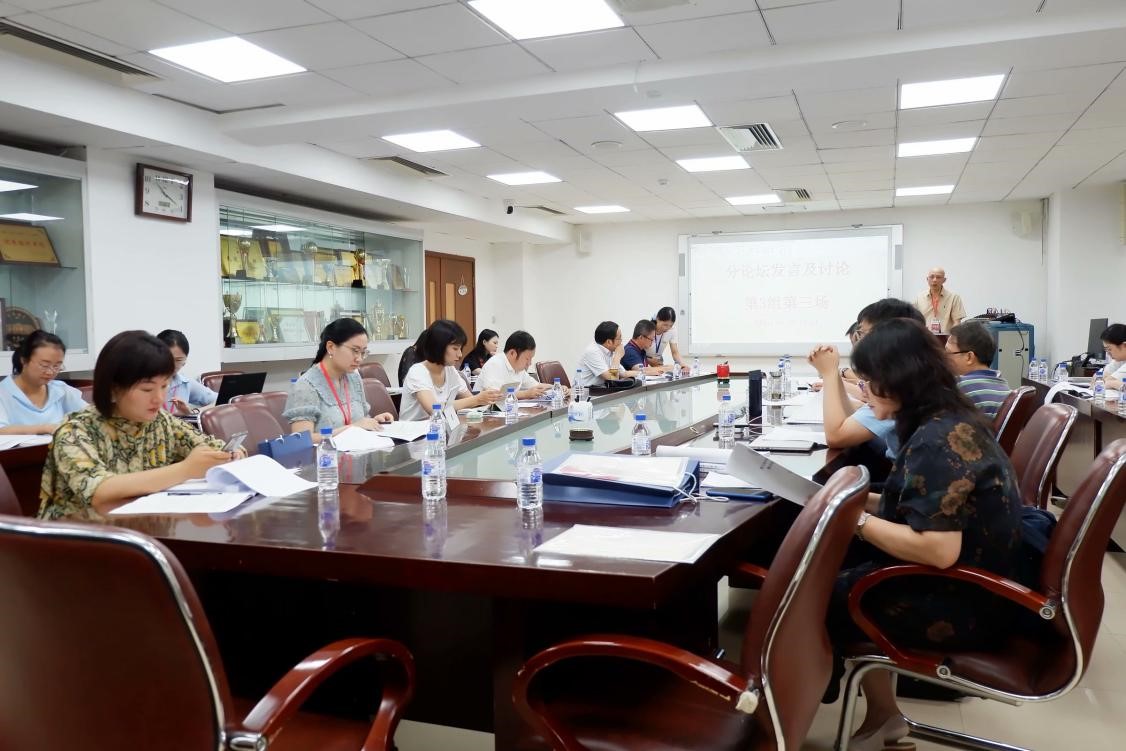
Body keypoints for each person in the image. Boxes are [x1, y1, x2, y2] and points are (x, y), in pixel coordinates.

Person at [824, 317, 1023, 750]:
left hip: (968, 601)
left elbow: (937, 549)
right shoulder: (944, 419)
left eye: (868, 382)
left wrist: (852, 518)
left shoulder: (938, 440)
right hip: (980, 580)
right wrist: (845, 499)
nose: (863, 391)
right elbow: (916, 502)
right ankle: (883, 715)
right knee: (838, 565)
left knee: (819, 592)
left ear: (896, 381)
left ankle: (781, 717)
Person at [37, 330, 237, 521]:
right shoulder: (75, 431)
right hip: (78, 535)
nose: (159, 398)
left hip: (143, 527)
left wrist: (231, 453)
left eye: (164, 386)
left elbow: (209, 447)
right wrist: (185, 469)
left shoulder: (161, 421)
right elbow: (98, 490)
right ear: (113, 387)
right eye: (147, 389)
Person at [809, 299, 926, 459]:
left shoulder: (899, 386)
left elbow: (836, 437)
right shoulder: (914, 373)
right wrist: (833, 373)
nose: (858, 341)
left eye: (862, 334)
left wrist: (829, 373)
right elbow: (851, 419)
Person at [284, 318, 394, 439]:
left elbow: (361, 421)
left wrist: (374, 422)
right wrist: (352, 428)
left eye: (363, 352)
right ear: (331, 347)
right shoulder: (305, 386)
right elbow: (302, 439)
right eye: (355, 351)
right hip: (326, 451)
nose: (359, 358)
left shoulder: (354, 379)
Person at [400, 319, 501, 421]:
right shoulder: (417, 372)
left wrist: (486, 398)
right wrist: (477, 399)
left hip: (441, 427)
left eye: (460, 349)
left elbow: (469, 398)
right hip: (415, 430)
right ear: (439, 347)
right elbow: (434, 409)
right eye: (455, 349)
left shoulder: (450, 370)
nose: (460, 355)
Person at [0, 329, 86, 435]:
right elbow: (1, 430)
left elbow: (90, 417)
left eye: (57, 366)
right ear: (24, 360)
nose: (50, 372)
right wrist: (45, 428)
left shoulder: (61, 391)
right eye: (44, 365)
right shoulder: (3, 393)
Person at [946, 321, 1010, 418]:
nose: (944, 358)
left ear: (969, 357)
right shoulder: (1004, 386)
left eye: (948, 353)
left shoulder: (960, 385)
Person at [476, 330, 562, 400]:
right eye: (527, 359)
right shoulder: (494, 364)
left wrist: (557, 387)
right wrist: (525, 394)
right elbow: (495, 396)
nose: (529, 363)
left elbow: (536, 386)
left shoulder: (518, 369)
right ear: (512, 353)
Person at [155, 329, 217, 416]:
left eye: (178, 360)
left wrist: (193, 412)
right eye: (167, 358)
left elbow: (220, 400)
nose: (171, 365)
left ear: (185, 361)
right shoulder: (143, 383)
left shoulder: (184, 383)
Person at [913, 266, 966, 334]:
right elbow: (914, 320)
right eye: (932, 277)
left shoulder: (954, 298)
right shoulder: (919, 298)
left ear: (944, 280)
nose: (934, 280)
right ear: (927, 279)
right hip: (925, 337)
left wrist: (952, 337)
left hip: (946, 337)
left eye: (938, 277)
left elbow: (957, 322)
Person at [576, 321, 626, 389]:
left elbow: (623, 373)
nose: (621, 341)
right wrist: (617, 357)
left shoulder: (609, 351)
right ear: (609, 342)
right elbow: (613, 379)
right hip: (584, 392)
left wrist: (640, 373)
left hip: (600, 391)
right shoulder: (592, 352)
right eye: (619, 338)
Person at [1101, 323, 1126, 388]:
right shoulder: (1119, 359)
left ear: (1124, 345)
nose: (1108, 353)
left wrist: (1112, 383)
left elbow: (1102, 383)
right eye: (1106, 349)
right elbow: (1098, 378)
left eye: (1109, 349)